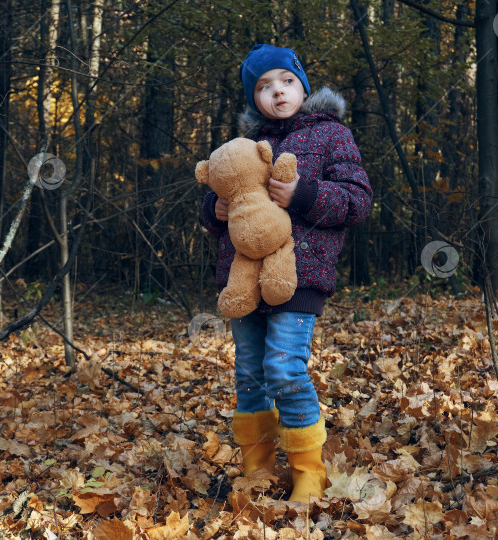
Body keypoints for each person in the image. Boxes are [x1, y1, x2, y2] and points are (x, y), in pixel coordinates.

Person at [201, 44, 372, 503]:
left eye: (286, 81)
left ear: (302, 85)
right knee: (250, 374)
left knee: (284, 367)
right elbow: (223, 201)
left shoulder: (332, 135)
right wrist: (214, 211)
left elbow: (357, 200)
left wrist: (302, 194)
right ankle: (256, 467)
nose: (277, 92)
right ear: (253, 97)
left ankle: (308, 472)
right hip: (242, 278)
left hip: (302, 275)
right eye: (263, 86)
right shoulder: (240, 147)